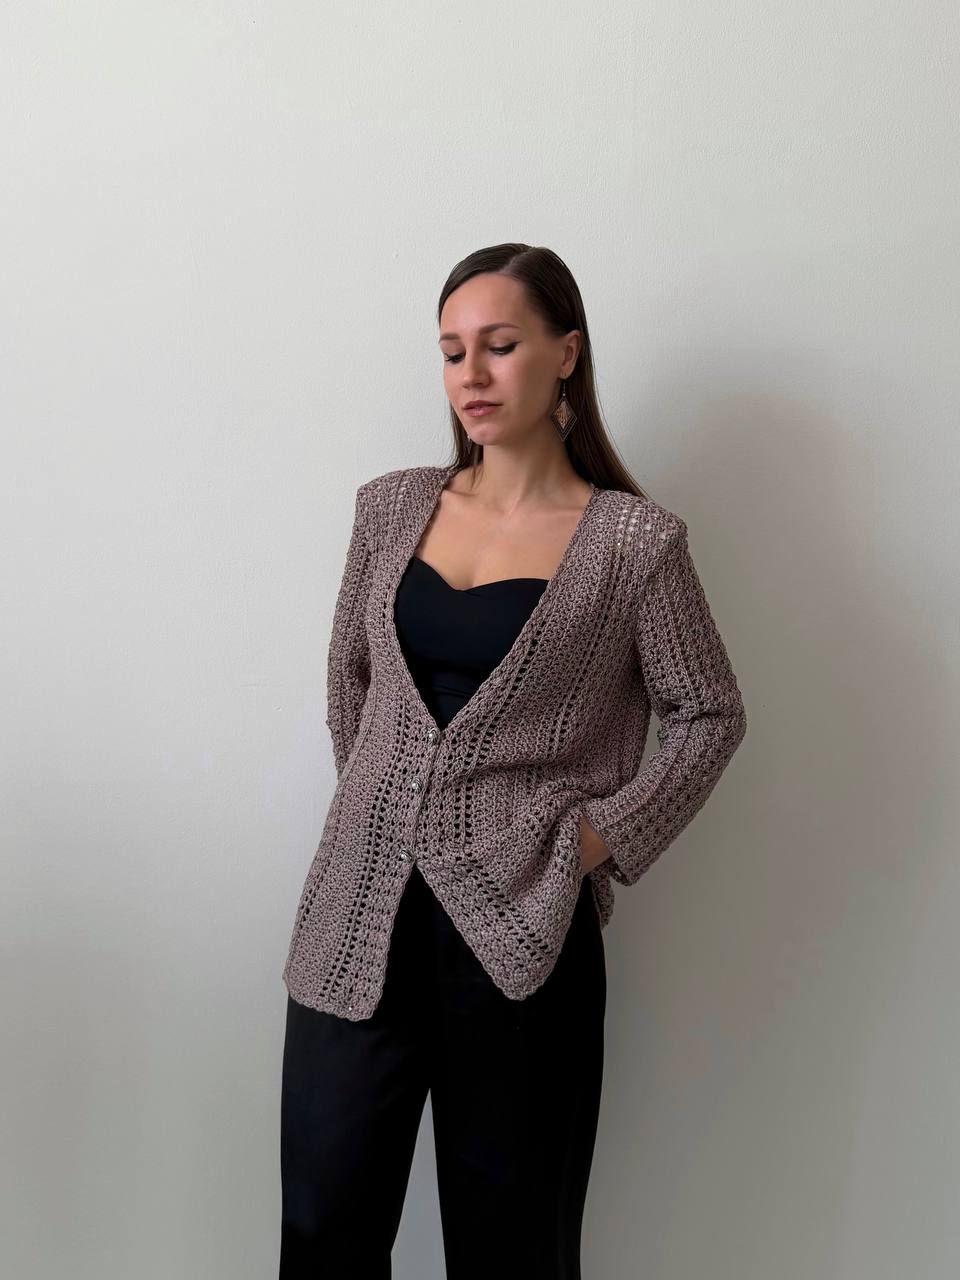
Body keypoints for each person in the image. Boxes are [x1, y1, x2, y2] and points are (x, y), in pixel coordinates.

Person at [278, 243, 748, 1278]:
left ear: (565, 353)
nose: (472, 375)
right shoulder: (390, 508)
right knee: (322, 1232)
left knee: (515, 1250)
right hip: (357, 914)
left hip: (523, 930)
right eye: (453, 352)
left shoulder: (634, 545)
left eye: (499, 345)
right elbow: (352, 680)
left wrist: (588, 844)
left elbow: (709, 713)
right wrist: (390, 812)